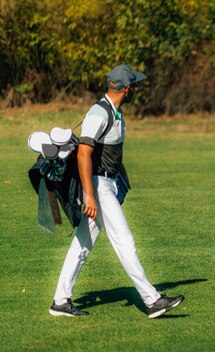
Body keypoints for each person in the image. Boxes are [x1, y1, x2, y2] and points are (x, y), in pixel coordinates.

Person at [49, 64, 184, 318]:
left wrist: (120, 176)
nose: (137, 90)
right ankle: (152, 299)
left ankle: (60, 301)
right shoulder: (99, 114)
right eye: (136, 86)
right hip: (99, 187)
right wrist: (89, 194)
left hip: (107, 184)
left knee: (83, 244)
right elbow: (84, 153)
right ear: (127, 89)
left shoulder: (115, 111)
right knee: (124, 240)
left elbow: (108, 151)